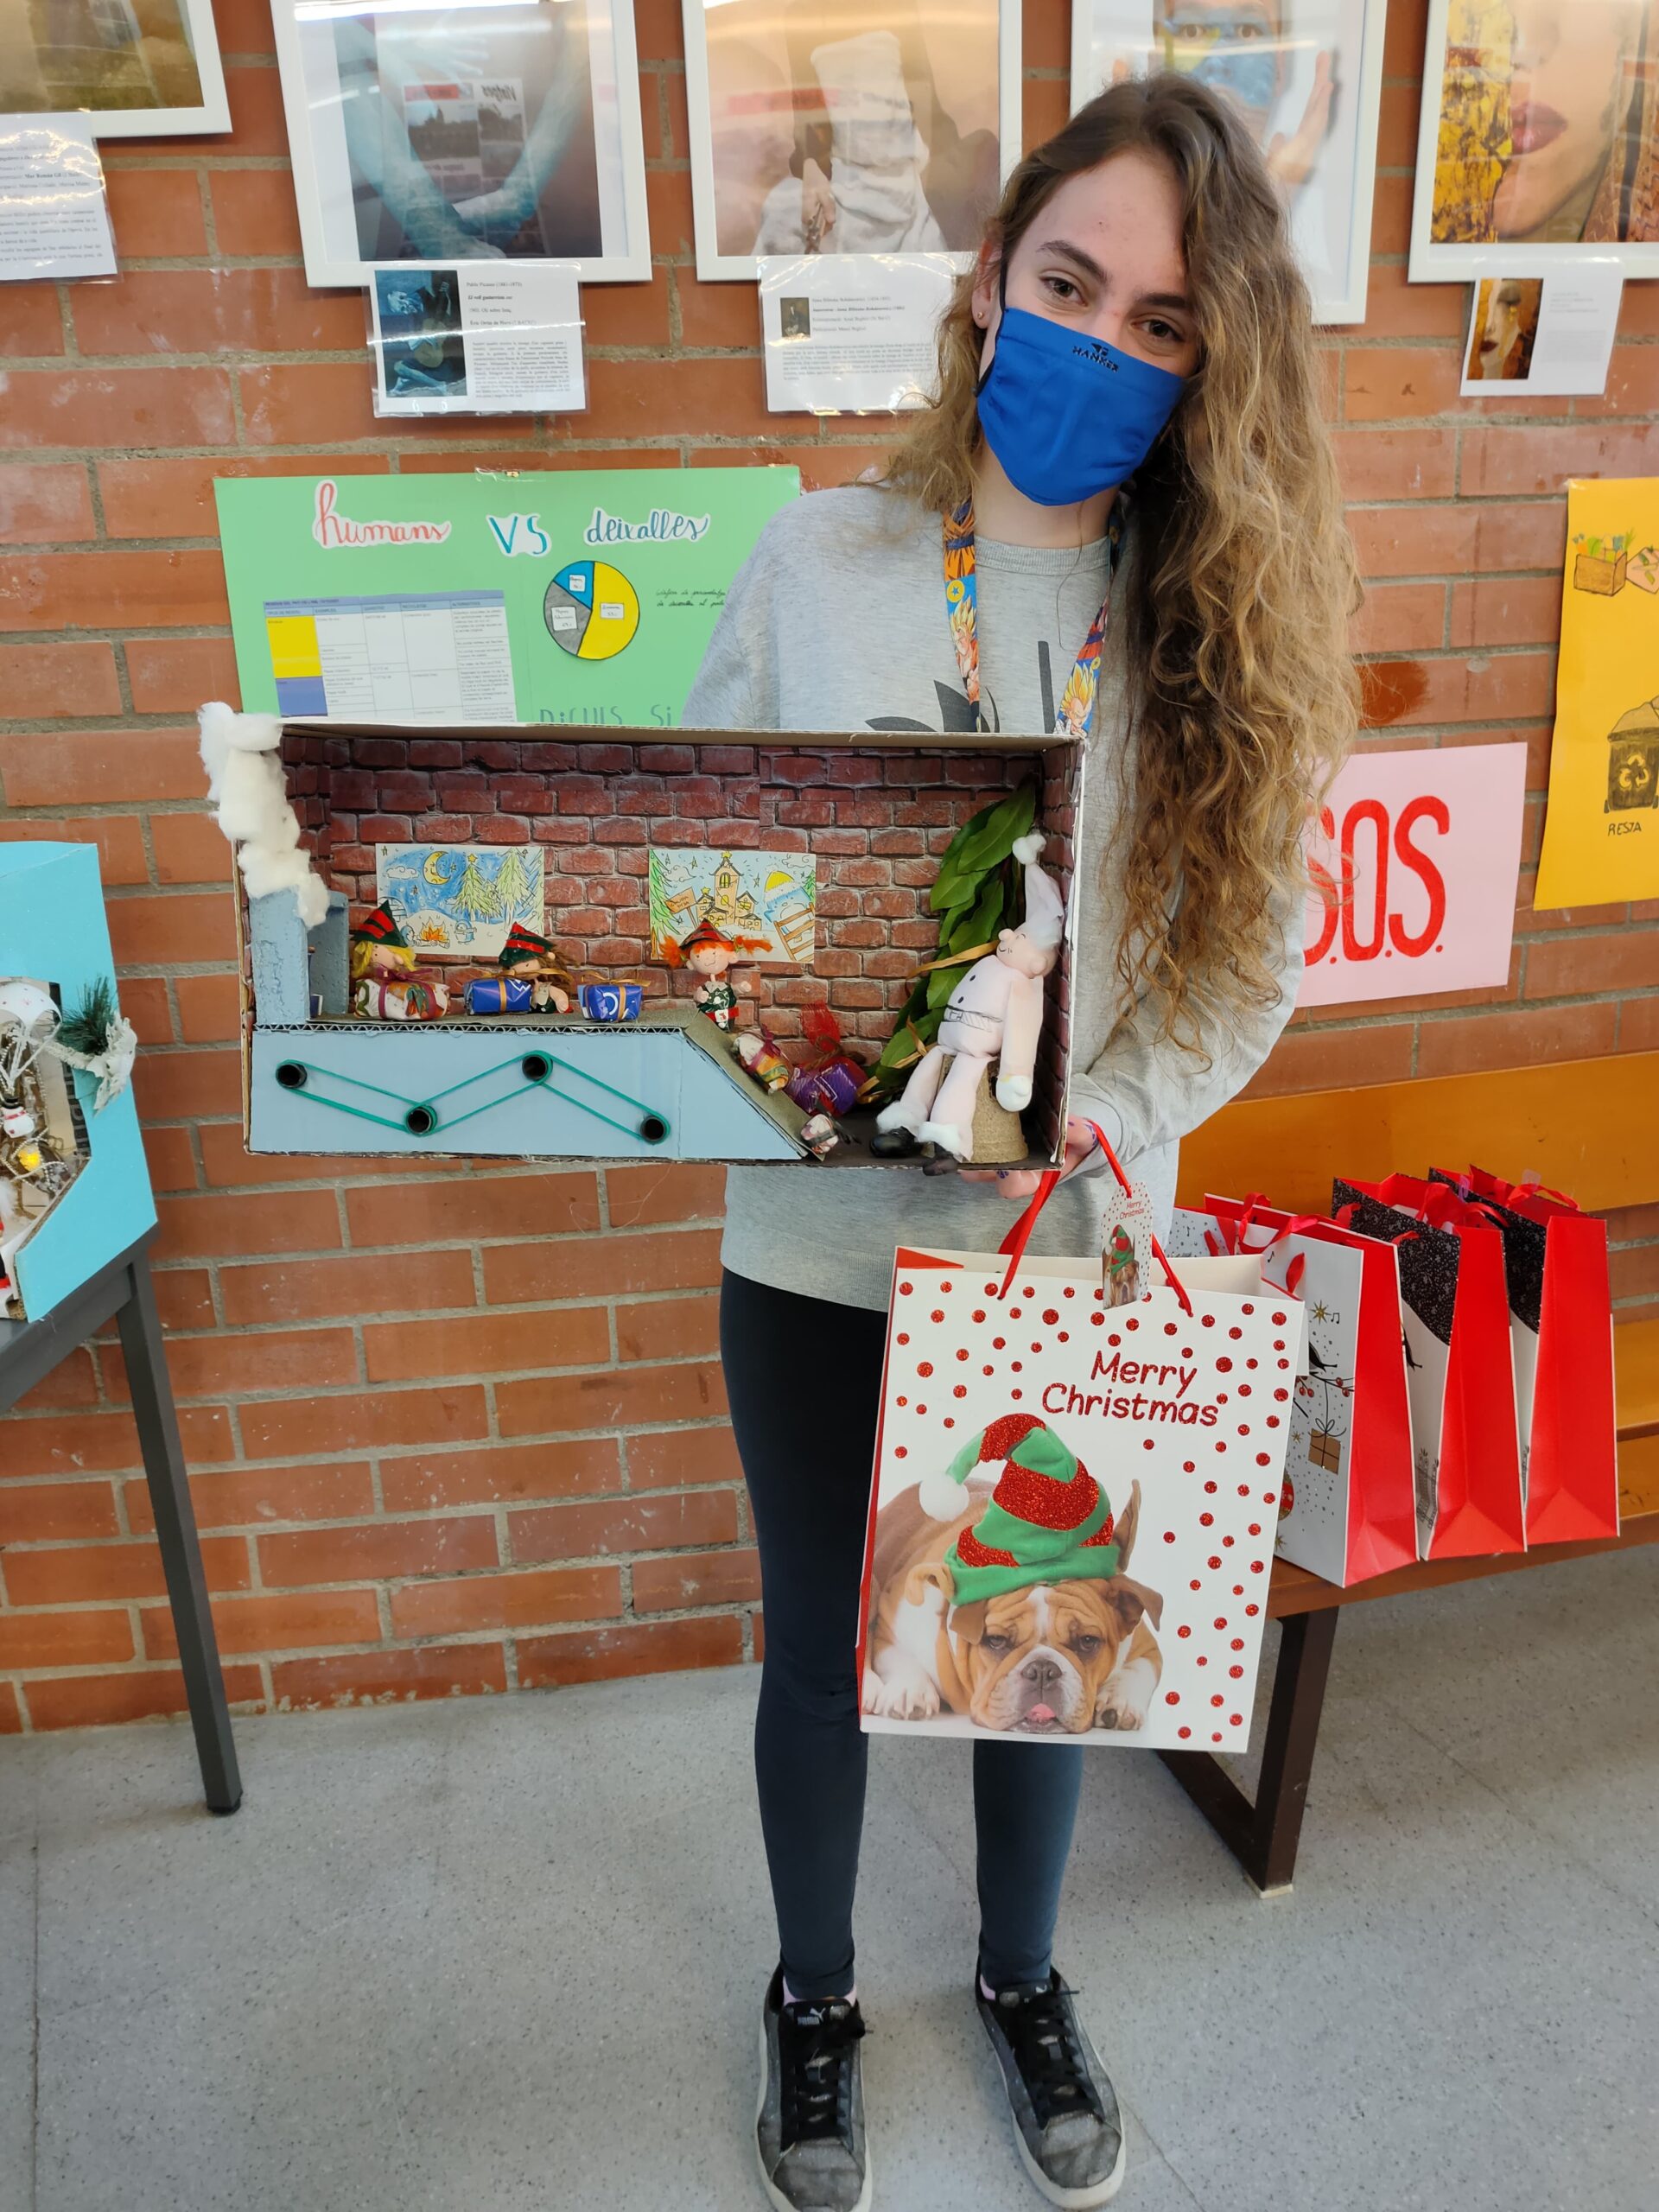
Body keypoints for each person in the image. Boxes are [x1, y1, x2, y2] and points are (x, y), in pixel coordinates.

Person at [683, 73, 1357, 2212]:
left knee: (1037, 1647)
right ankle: (812, 1995)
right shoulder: (819, 560)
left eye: (1160, 325)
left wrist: (1102, 1123)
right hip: (821, 1244)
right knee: (823, 1644)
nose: (1100, 349)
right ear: (988, 283)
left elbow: (1249, 960)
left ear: (1210, 364)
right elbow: (700, 870)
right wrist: (786, 1039)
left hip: (1064, 1252)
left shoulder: (1213, 629)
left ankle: (1020, 1974)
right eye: (1069, 287)